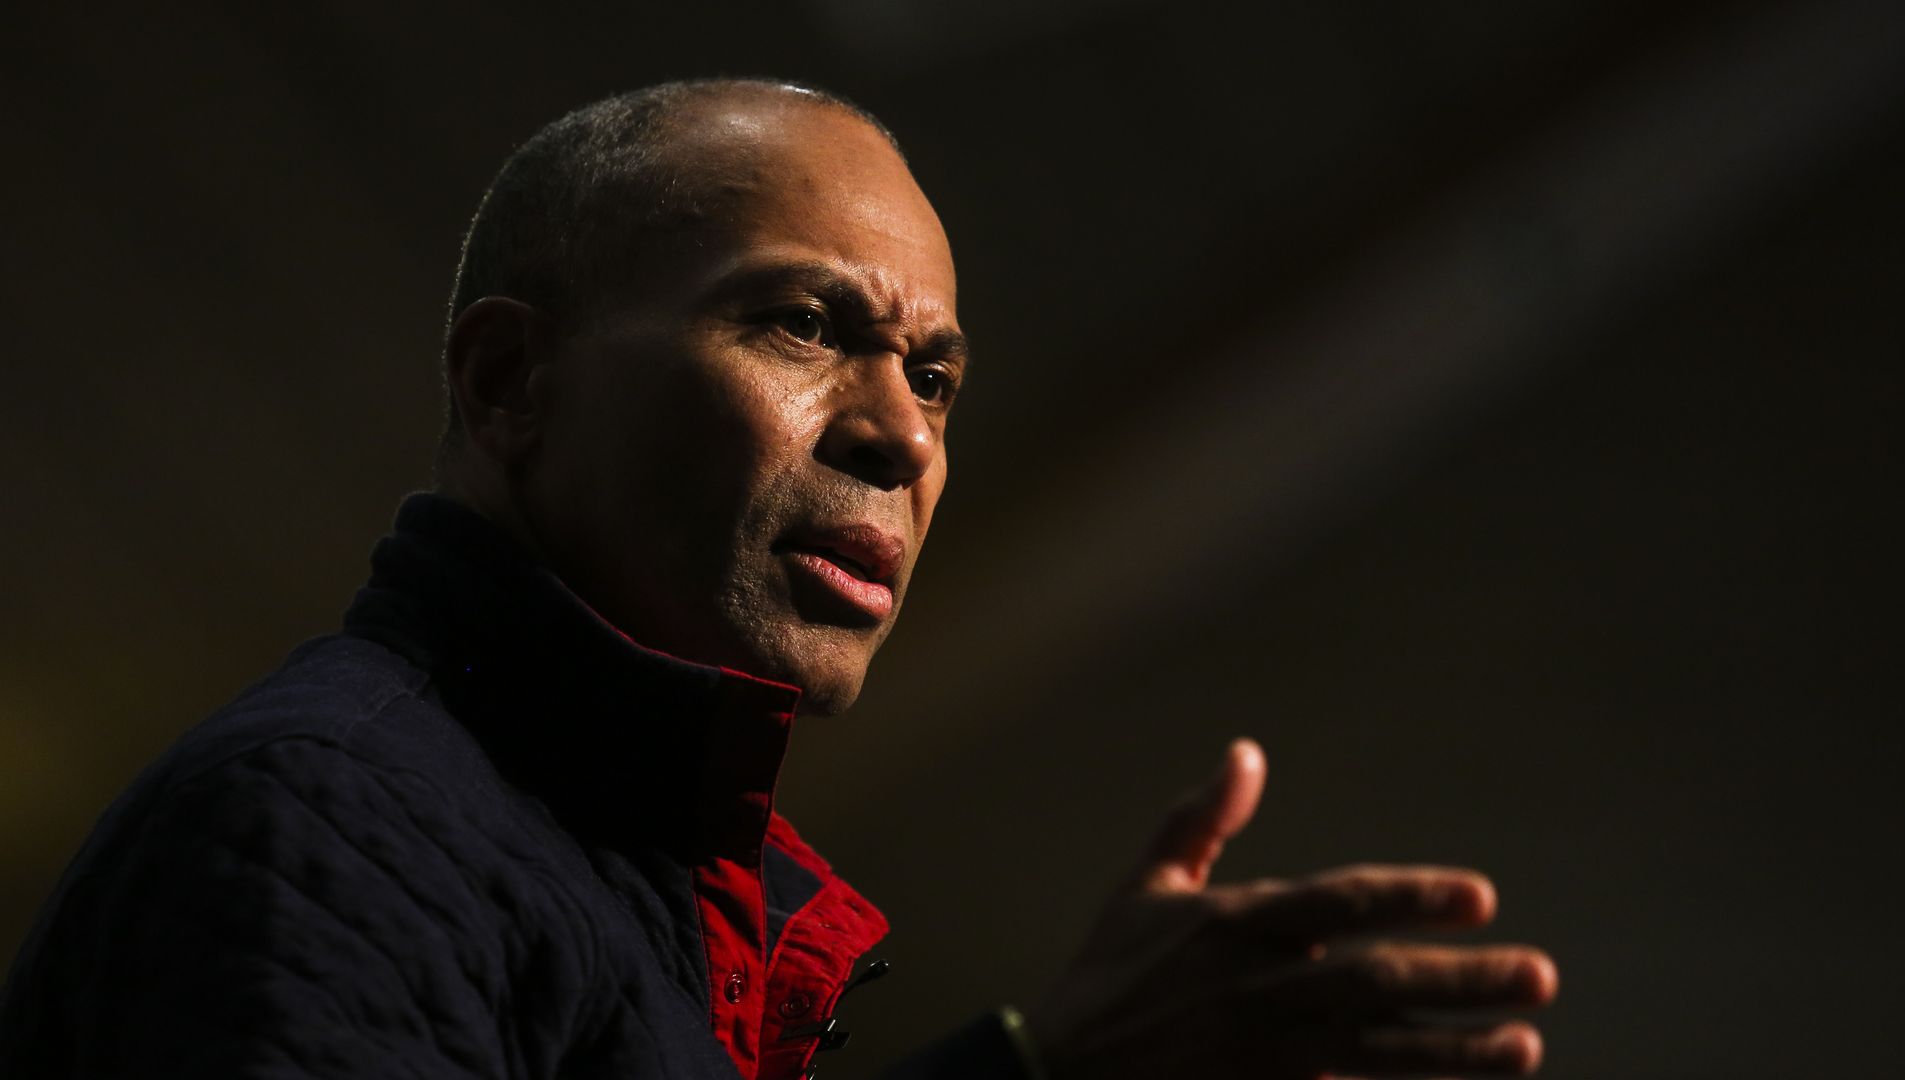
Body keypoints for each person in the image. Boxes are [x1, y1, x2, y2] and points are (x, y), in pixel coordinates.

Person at [0, 78, 1557, 1079]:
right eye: (805, 326)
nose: (899, 435)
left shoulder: (661, 896)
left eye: (937, 378)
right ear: (507, 383)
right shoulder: (326, 825)